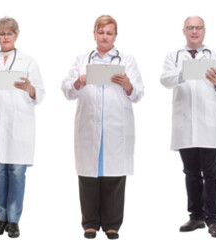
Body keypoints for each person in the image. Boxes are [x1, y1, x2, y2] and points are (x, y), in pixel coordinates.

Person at [61, 15, 144, 240]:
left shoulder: (126, 60)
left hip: (116, 127)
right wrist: (78, 81)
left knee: (114, 178)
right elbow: (67, 89)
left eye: (109, 33)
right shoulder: (81, 59)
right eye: (100, 32)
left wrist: (128, 85)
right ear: (94, 34)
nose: (104, 37)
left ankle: (112, 225)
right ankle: (90, 224)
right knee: (89, 176)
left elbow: (139, 93)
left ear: (115, 36)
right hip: (89, 124)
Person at [0, 17, 45, 239]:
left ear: (16, 35)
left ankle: (14, 221)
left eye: (9, 34)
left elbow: (39, 93)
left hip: (20, 126)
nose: (5, 37)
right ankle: (1, 219)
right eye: (2, 34)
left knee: (17, 173)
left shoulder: (29, 62)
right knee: (0, 173)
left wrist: (30, 88)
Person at [159, 15, 216, 238]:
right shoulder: (174, 56)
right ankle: (196, 216)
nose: (194, 31)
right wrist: (184, 72)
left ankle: (214, 220)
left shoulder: (214, 55)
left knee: (212, 172)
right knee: (190, 173)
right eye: (190, 28)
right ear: (184, 31)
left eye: (198, 28)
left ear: (204, 31)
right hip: (185, 124)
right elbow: (165, 79)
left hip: (209, 125)